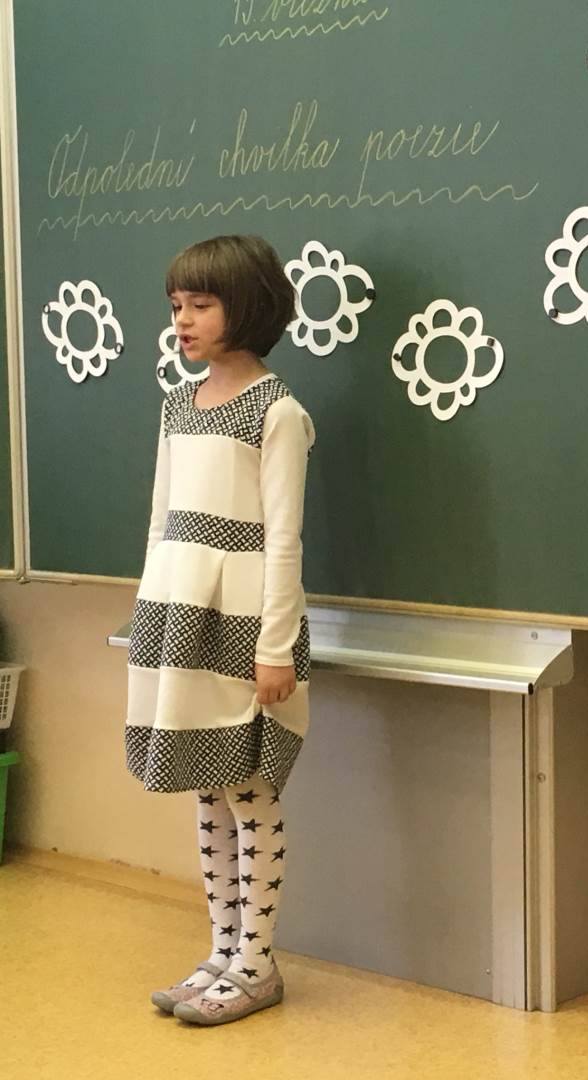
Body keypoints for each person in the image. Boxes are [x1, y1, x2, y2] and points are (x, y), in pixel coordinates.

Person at [125, 234, 315, 1026]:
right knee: (207, 789)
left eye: (201, 305)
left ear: (249, 307)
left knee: (249, 791)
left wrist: (274, 648)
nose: (183, 320)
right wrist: (150, 609)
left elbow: (282, 538)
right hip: (177, 617)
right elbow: (162, 518)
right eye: (177, 306)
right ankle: (221, 953)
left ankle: (257, 965)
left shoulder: (277, 411)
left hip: (241, 625)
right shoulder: (176, 403)